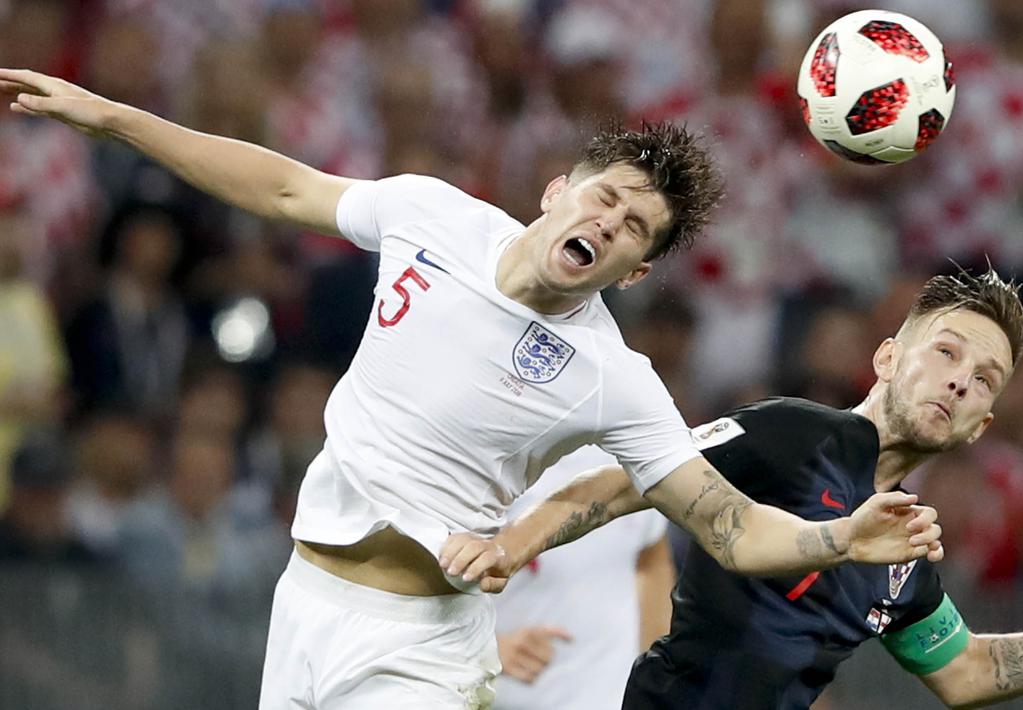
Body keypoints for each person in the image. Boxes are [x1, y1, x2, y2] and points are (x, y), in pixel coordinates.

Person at [0, 68, 944, 709]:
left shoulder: (611, 376)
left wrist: (839, 537)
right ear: (556, 191)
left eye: (634, 230)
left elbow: (729, 526)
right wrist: (111, 117)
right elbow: (284, 189)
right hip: (303, 603)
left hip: (417, 647)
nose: (609, 223)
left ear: (634, 274)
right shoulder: (431, 213)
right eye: (604, 197)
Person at [452, 267, 1023, 709]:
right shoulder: (791, 433)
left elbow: (968, 672)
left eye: (983, 380)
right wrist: (508, 547)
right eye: (946, 352)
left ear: (982, 426)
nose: (959, 381)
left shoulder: (904, 552)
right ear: (886, 358)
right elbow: (628, 482)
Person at [492, 446, 675, 710]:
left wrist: (657, 681)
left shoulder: (637, 452)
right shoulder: (493, 460)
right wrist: (488, 648)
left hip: (614, 699)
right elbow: (435, 572)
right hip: (507, 698)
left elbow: (651, 561)